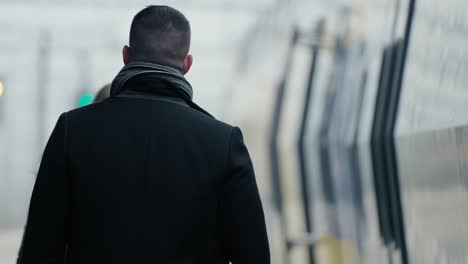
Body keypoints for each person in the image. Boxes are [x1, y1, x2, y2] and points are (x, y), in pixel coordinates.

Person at [17, 5, 270, 264]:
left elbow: (40, 248)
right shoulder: (223, 142)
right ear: (187, 63)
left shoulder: (73, 129)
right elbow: (253, 255)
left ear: (126, 55)